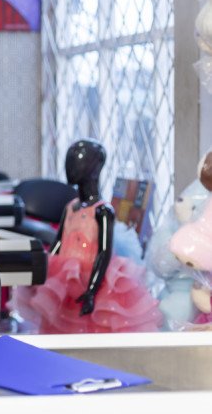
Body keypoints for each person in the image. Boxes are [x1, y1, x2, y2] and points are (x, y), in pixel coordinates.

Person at [10, 139, 163, 333]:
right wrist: (43, 271)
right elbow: (58, 244)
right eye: (70, 160)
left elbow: (104, 252)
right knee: (59, 325)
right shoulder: (70, 207)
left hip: (91, 277)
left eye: (79, 160)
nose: (71, 166)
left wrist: (92, 289)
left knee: (90, 326)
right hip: (63, 277)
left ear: (95, 167)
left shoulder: (103, 211)